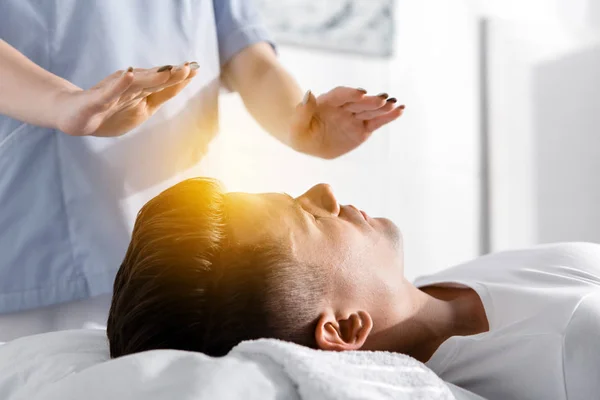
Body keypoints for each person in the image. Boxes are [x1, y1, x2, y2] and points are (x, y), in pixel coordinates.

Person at [0, 1, 404, 339]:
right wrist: (62, 103)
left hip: (184, 245)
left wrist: (300, 125)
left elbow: (249, 55)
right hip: (31, 235)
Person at [108, 177, 600, 400]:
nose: (325, 191)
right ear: (343, 328)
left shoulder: (431, 296)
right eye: (310, 217)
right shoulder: (576, 349)